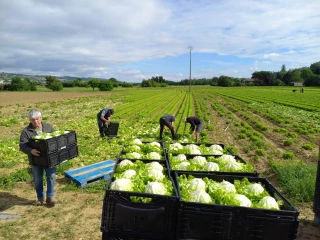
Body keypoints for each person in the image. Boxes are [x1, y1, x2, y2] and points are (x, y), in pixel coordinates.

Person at [19, 109, 58, 206]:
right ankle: (40, 198)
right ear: (30, 120)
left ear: (41, 118)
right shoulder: (26, 131)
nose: (35, 121)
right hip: (35, 159)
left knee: (51, 176)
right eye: (32, 120)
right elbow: (22, 145)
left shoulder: (48, 127)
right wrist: (31, 151)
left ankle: (50, 197)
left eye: (37, 119)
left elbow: (56, 138)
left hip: (49, 159)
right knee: (38, 179)